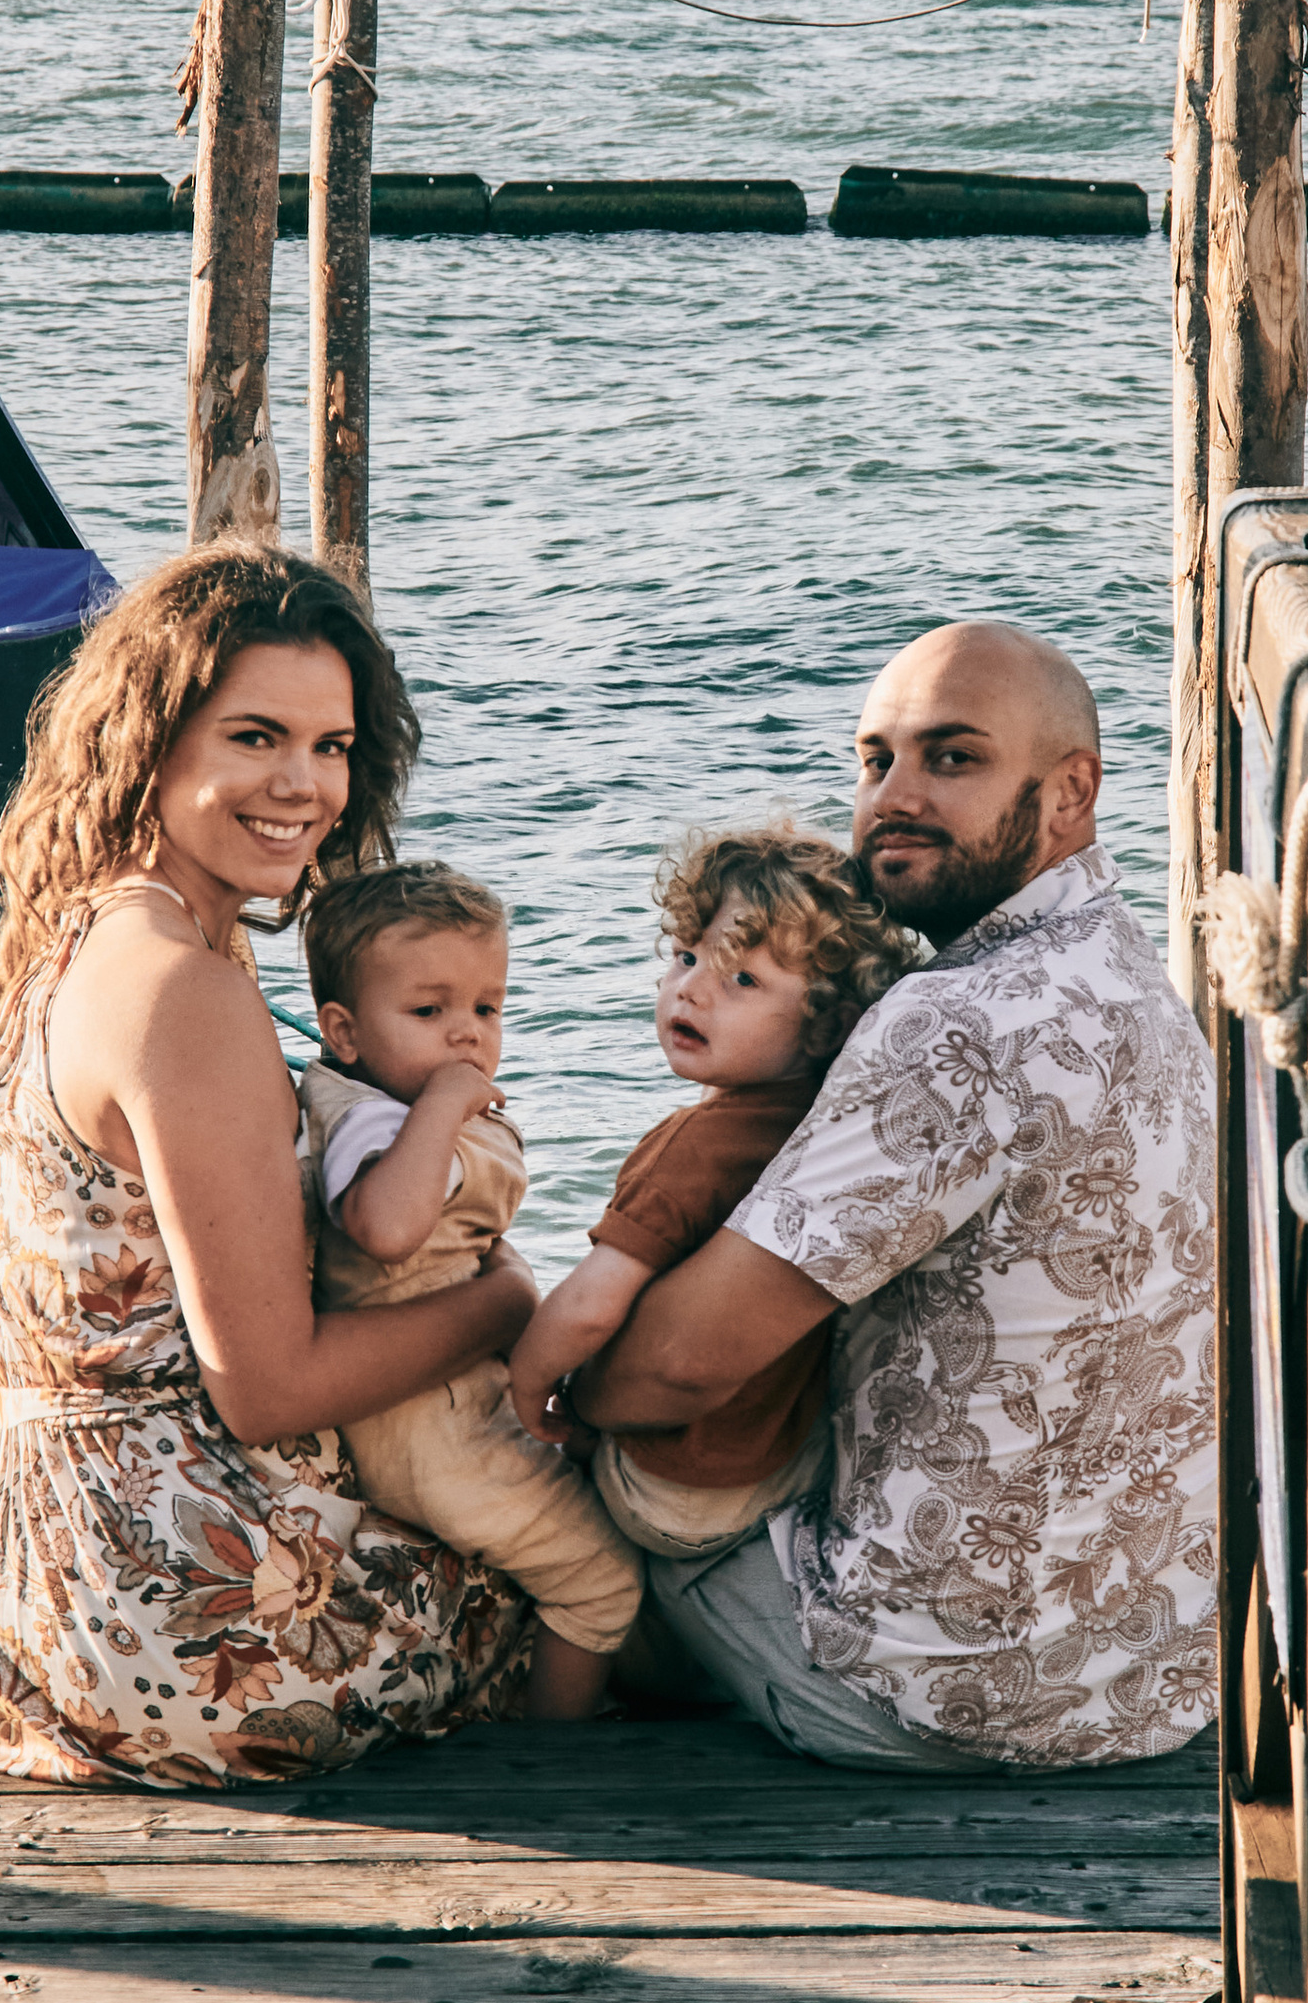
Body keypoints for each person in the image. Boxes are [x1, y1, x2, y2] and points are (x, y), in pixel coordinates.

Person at [0, 543, 540, 1786]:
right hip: (188, 1615)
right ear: (151, 740)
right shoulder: (180, 990)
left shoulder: (82, 925)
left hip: (24, 1575)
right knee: (602, 1581)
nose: (303, 786)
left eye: (333, 747)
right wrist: (507, 1304)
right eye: (256, 737)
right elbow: (265, 1385)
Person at [571, 621, 1218, 1774]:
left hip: (940, 1691)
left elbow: (678, 1366)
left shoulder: (950, 1024)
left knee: (580, 1489)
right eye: (875, 760)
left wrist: (564, 1394)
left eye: (951, 759)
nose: (895, 796)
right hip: (1149, 1673)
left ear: (1071, 793)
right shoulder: (1125, 967)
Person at [505, 821, 917, 1561]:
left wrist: (531, 1387)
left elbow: (592, 1305)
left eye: (742, 980)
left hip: (670, 1493)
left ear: (828, 1027)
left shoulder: (689, 1147)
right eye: (686, 956)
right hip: (785, 1465)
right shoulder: (830, 1129)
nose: (690, 988)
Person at [298, 862, 639, 1722]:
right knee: (604, 1582)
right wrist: (448, 1105)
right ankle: (555, 1755)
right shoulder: (376, 1120)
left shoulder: (387, 1103)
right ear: (343, 1031)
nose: (468, 1036)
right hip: (427, 1425)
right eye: (429, 1011)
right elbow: (385, 1226)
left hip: (437, 1405)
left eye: (487, 1009)